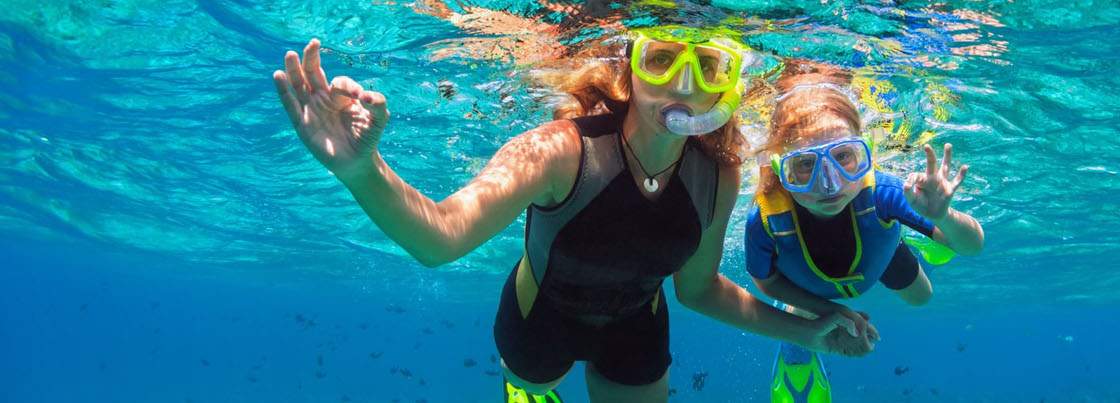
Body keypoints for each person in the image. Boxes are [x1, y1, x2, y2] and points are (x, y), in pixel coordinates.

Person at [269, 26, 873, 403]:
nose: (683, 87)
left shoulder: (719, 174)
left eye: (709, 69)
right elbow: (441, 238)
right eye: (662, 60)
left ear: (725, 89)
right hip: (540, 322)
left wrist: (807, 330)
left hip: (638, 329)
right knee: (533, 386)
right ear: (631, 70)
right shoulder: (561, 150)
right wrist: (359, 170)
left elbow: (698, 291)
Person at [743, 63, 985, 402]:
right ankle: (796, 355)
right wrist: (830, 312)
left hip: (879, 253)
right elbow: (766, 282)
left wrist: (944, 218)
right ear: (780, 169)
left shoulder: (883, 193)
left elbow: (972, 246)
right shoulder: (765, 219)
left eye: (844, 158)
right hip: (804, 287)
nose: (829, 184)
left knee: (922, 297)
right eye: (804, 165)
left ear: (864, 153)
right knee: (798, 316)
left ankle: (921, 232)